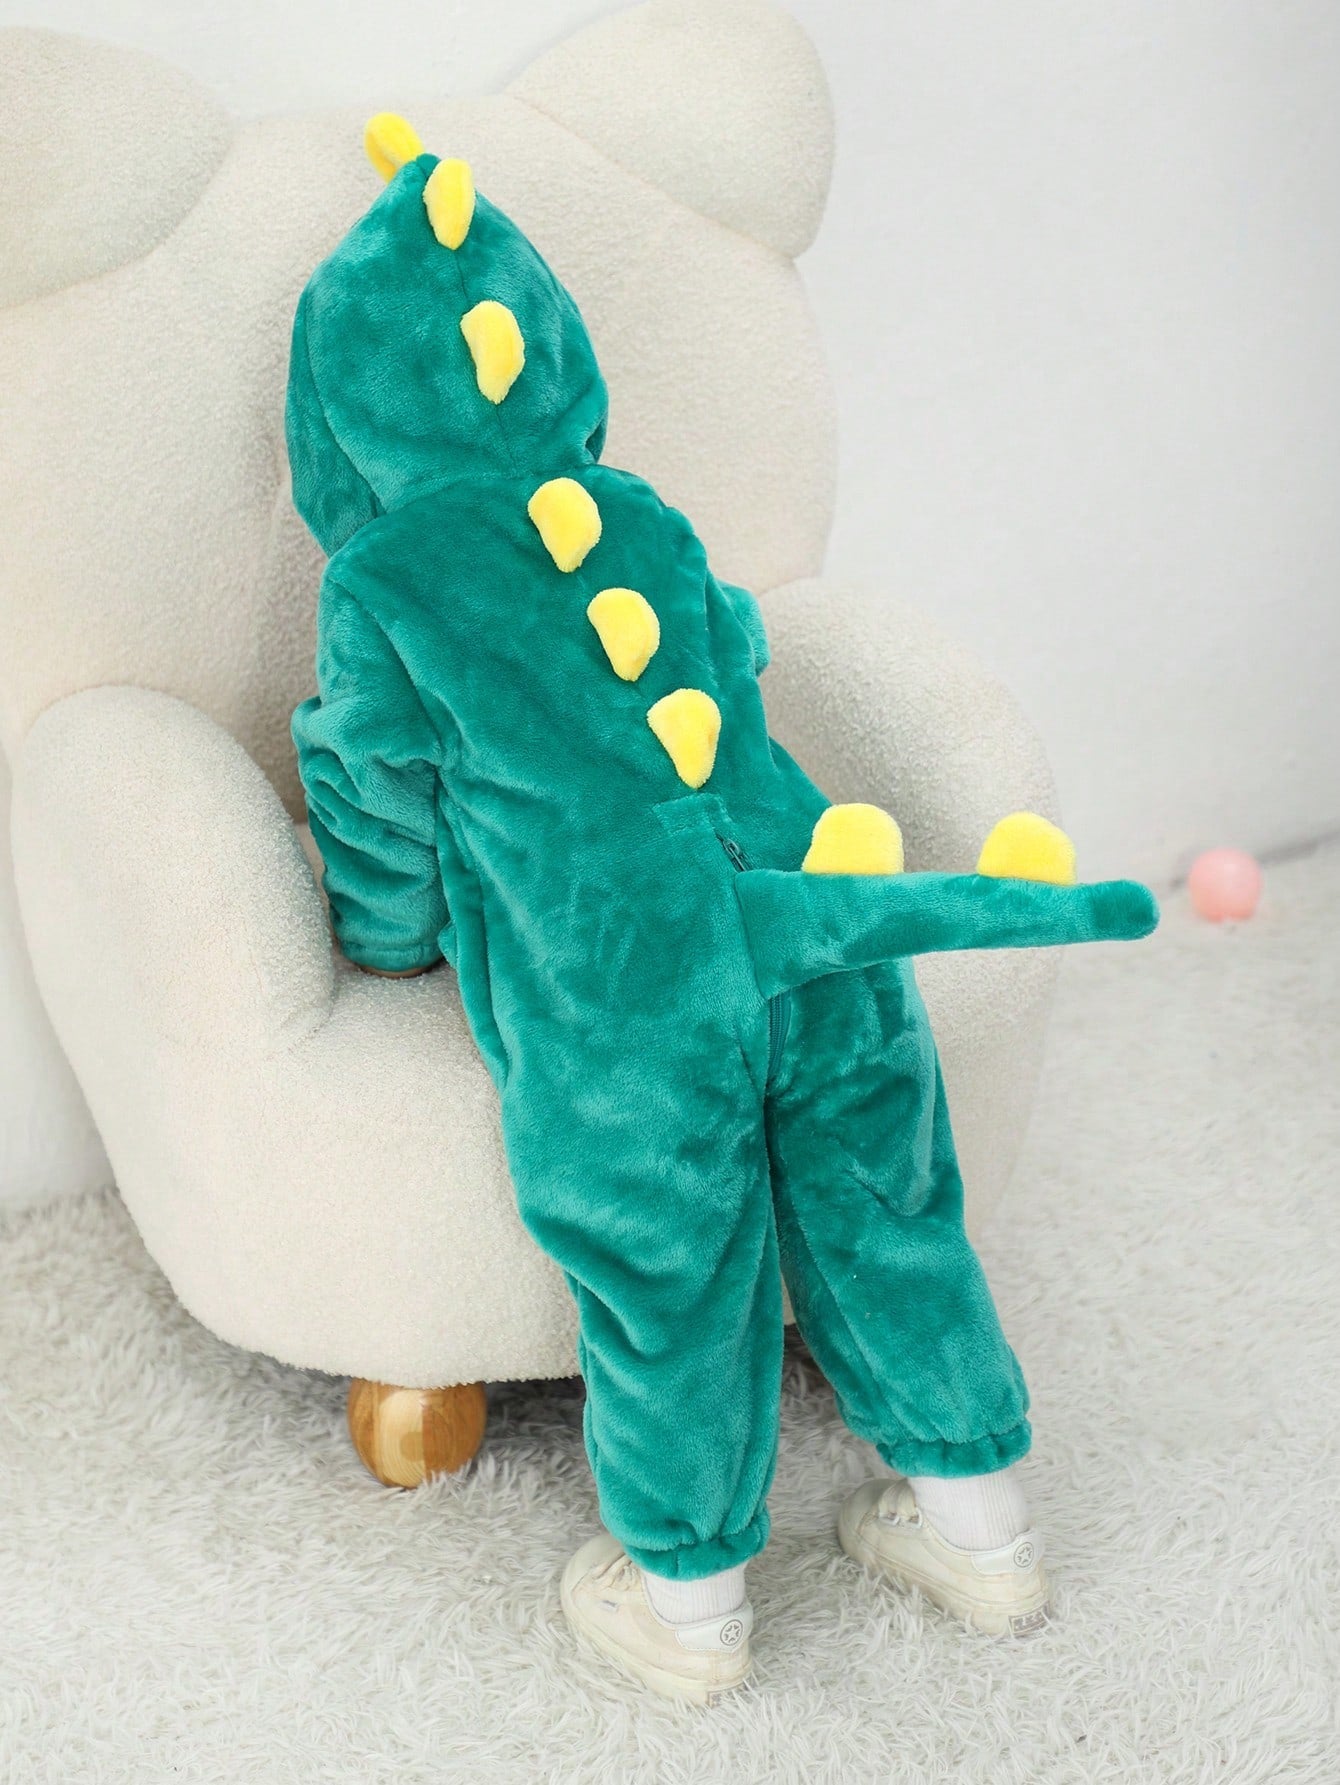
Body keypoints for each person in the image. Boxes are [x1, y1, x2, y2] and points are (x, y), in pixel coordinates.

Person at [288, 115, 1156, 1704]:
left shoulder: (385, 585)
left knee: (670, 1267)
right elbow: (731, 667)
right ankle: (986, 1526)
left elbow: (375, 801)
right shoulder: (644, 517)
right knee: (886, 1205)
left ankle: (687, 1607)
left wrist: (388, 937)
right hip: (814, 903)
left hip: (626, 990)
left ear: (340, 408)